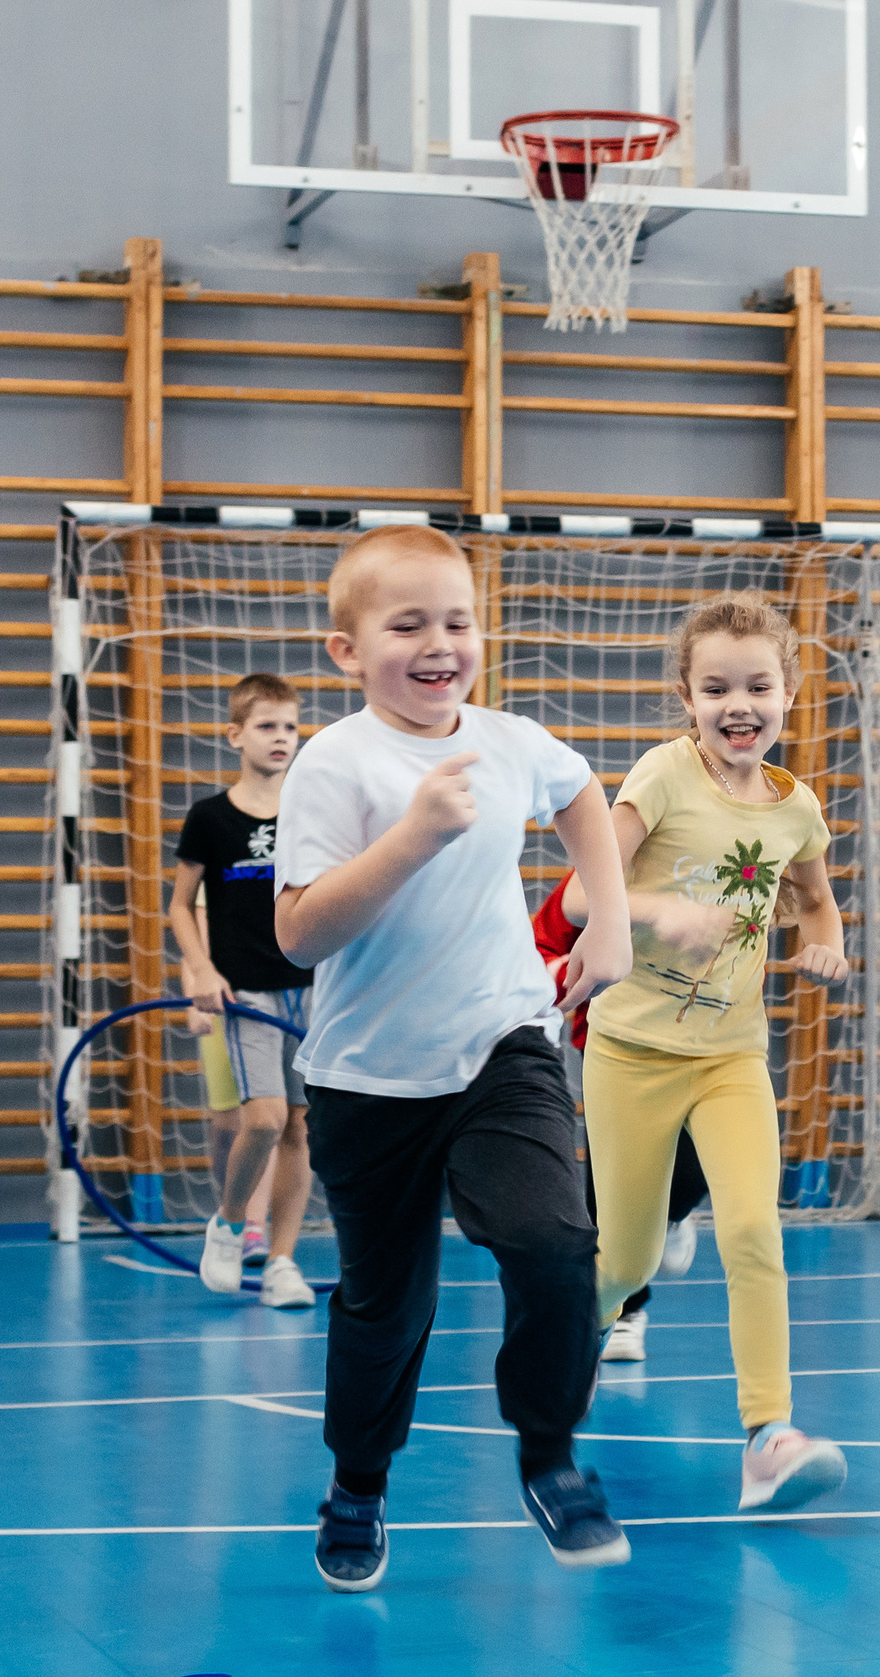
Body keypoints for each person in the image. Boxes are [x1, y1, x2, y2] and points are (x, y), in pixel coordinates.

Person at [273, 526, 634, 1589]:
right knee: (387, 1306)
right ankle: (357, 1482)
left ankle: (549, 1454)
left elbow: (580, 796)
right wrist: (413, 835)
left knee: (557, 1241)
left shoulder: (510, 737)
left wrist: (606, 919)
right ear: (347, 651)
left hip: (500, 1047)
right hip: (367, 1078)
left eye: (458, 621)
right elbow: (296, 934)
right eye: (408, 624)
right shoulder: (334, 763)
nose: (440, 644)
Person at [560, 593, 852, 1512]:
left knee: (753, 1230)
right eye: (717, 686)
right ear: (686, 696)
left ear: (788, 692)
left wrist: (830, 940)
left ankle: (769, 1434)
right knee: (626, 1260)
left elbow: (815, 896)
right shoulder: (662, 776)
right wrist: (659, 911)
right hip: (632, 1052)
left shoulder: (796, 807)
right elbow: (577, 898)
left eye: (759, 685)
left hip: (732, 1056)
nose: (740, 705)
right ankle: (558, 1375)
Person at [171, 673, 317, 1308]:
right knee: (262, 1117)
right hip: (246, 992)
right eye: (266, 726)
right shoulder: (211, 818)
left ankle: (282, 1260)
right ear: (235, 736)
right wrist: (200, 970)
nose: (281, 738)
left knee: (300, 1131)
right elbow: (180, 906)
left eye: (289, 727)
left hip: (312, 987)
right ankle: (230, 1222)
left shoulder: (313, 811)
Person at [529, 876, 709, 1364]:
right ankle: (626, 1312)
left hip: (705, 1047)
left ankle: (669, 1218)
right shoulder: (599, 873)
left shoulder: (719, 869)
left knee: (697, 1169)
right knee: (607, 1191)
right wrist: (567, 970)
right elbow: (540, 945)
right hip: (614, 1048)